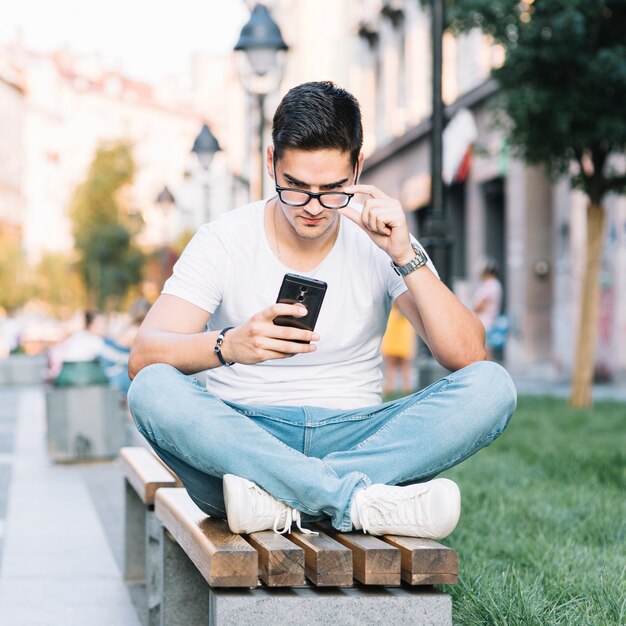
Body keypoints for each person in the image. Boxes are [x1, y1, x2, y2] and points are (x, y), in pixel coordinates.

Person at [128, 82, 516, 539]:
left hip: (355, 438)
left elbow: (469, 356)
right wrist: (230, 344)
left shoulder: (382, 239)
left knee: (494, 386)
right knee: (152, 389)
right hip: (244, 441)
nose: (313, 207)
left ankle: (286, 498)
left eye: (333, 189)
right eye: (295, 187)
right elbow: (143, 357)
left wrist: (405, 255)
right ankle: (353, 500)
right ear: (271, 161)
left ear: (358, 167)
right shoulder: (223, 239)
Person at [472, 259, 504, 360]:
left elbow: (479, 305)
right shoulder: (494, 284)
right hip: (488, 322)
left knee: (485, 350)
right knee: (486, 349)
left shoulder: (490, 285)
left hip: (485, 323)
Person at [381, 304, 416, 396]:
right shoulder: (392, 310)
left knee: (403, 367)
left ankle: (406, 391)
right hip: (393, 339)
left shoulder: (404, 309)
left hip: (402, 340)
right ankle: (390, 391)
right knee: (391, 367)